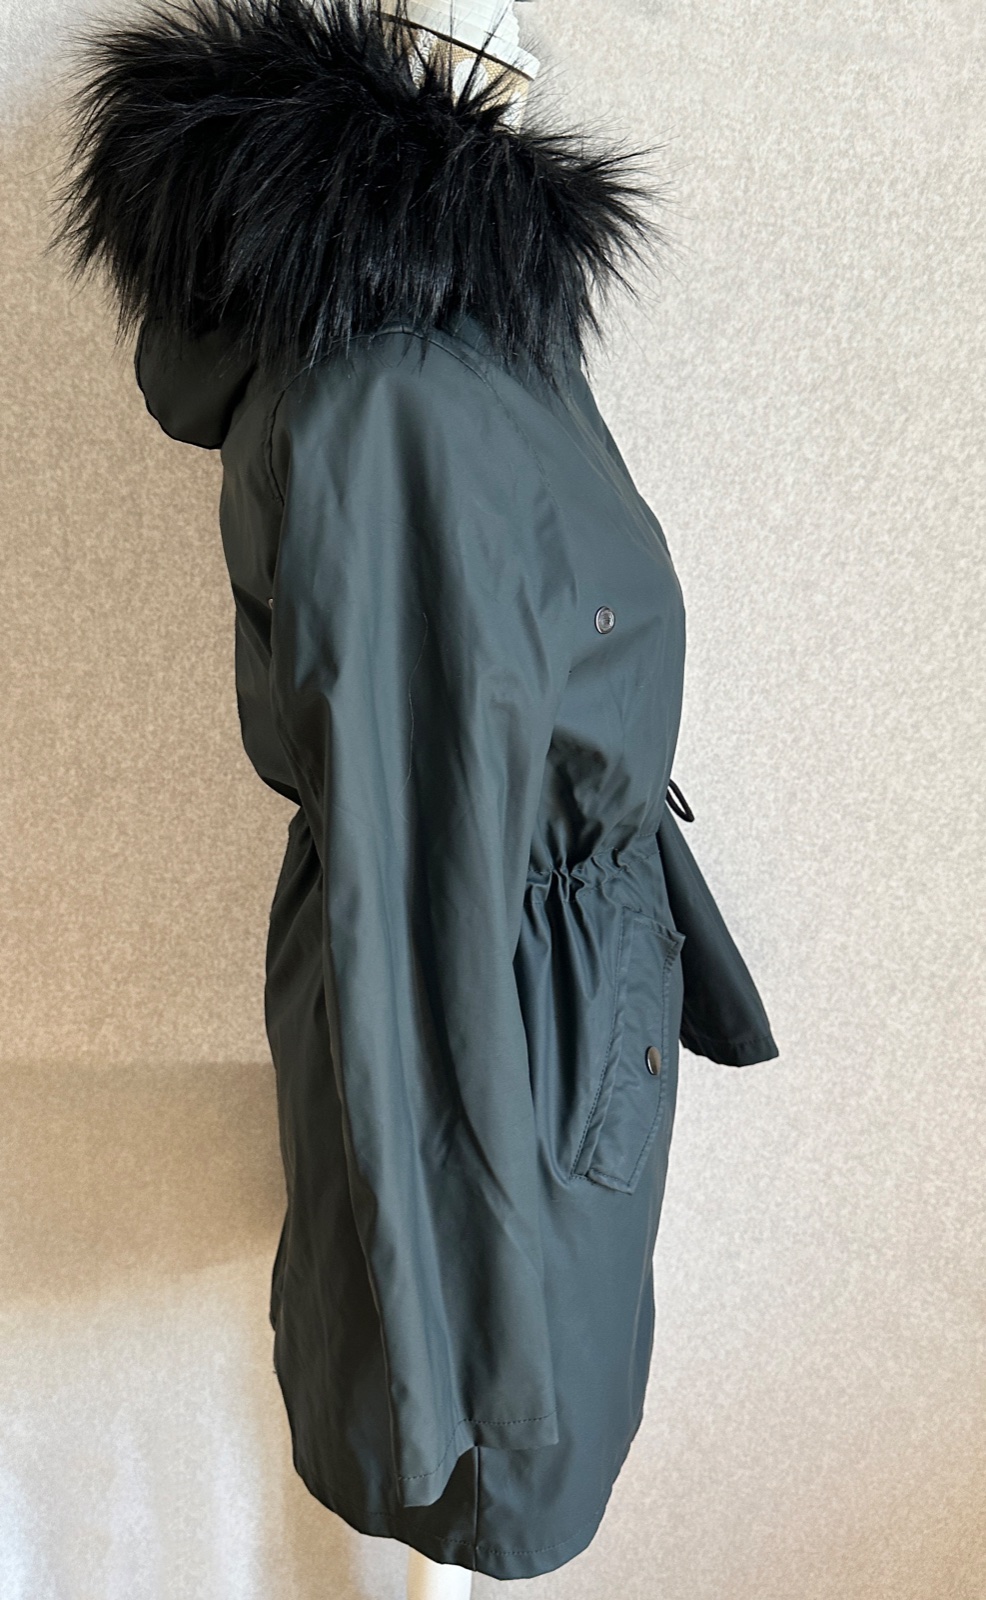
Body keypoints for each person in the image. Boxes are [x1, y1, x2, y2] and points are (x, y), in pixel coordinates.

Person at [51, 0, 779, 1585]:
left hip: (549, 1017)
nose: (521, 35)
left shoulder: (475, 336)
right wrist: (471, 1373)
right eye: (477, 16)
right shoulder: (399, 394)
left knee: (503, 1441)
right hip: (506, 1050)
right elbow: (420, 897)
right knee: (493, 1468)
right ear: (405, 61)